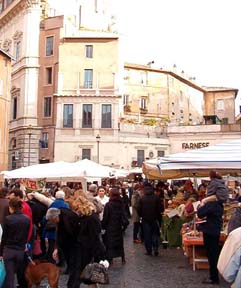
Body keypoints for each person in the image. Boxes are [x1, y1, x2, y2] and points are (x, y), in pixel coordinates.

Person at [0, 198, 30, 288]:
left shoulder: (8, 219)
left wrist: (0, 252)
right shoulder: (27, 219)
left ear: (11, 207)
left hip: (9, 250)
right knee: (13, 274)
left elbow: (4, 237)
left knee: (10, 276)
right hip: (20, 251)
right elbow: (26, 235)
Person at [197, 200, 224, 285]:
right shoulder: (219, 204)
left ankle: (214, 278)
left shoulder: (212, 204)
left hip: (210, 232)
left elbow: (200, 213)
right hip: (215, 231)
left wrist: (202, 204)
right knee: (213, 254)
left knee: (211, 255)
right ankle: (214, 276)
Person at [102, 187, 129, 264]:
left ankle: (110, 258)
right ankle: (122, 257)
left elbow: (106, 217)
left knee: (110, 242)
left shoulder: (108, 205)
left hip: (110, 226)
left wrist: (102, 225)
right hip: (118, 226)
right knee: (119, 242)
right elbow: (124, 215)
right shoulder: (121, 204)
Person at [137, 183, 162, 256]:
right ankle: (156, 248)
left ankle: (149, 250)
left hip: (145, 219)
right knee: (155, 234)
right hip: (154, 219)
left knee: (147, 235)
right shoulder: (156, 197)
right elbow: (159, 209)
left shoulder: (142, 198)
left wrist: (141, 215)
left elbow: (138, 209)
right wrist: (159, 218)